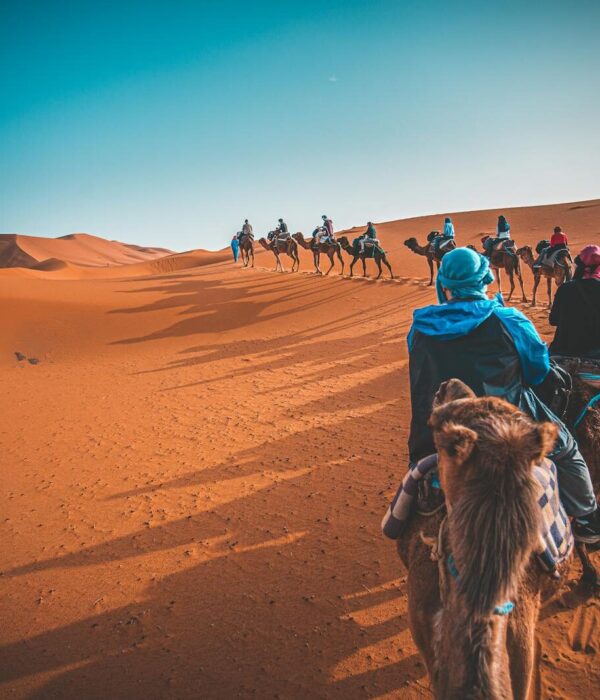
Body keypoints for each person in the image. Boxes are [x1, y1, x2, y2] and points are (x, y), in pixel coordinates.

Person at [405, 247, 599, 544]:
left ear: (443, 284)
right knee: (567, 449)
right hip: (508, 428)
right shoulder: (509, 320)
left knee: (421, 471)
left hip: (435, 431)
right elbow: (537, 372)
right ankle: (587, 521)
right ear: (486, 278)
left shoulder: (419, 327)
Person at [549, 244, 600, 358]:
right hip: (595, 354)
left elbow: (553, 320)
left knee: (545, 254)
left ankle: (540, 264)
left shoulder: (564, 288)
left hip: (563, 352)